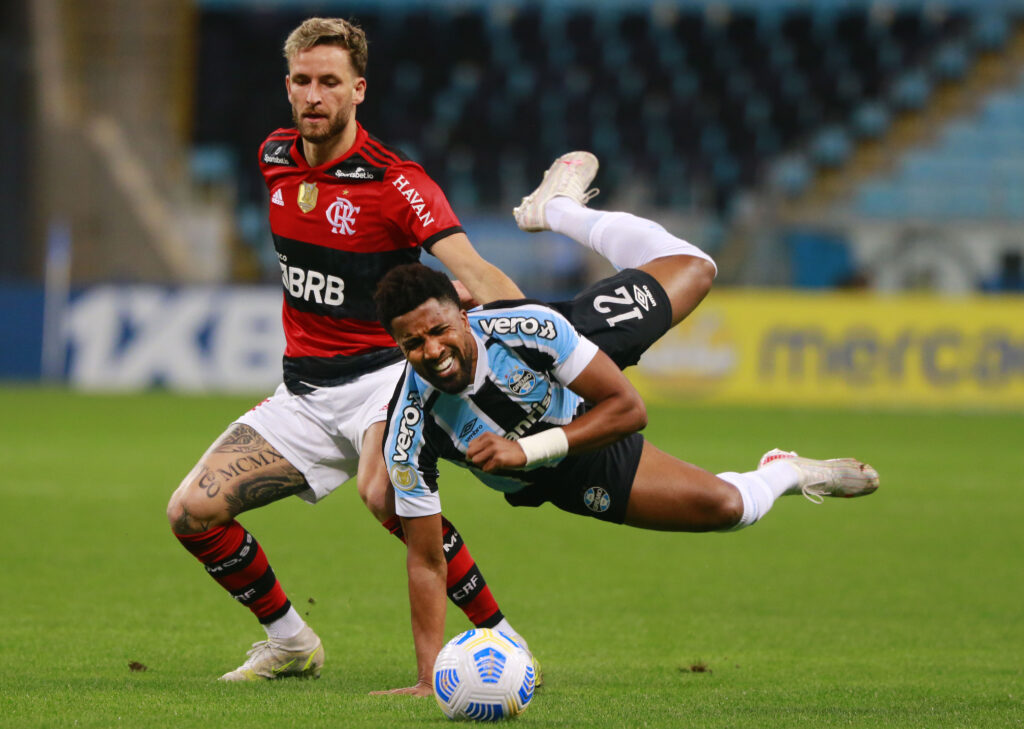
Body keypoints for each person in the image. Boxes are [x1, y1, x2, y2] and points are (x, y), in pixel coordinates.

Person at [371, 152, 880, 695]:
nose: (434, 350)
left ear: (463, 312)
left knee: (695, 266)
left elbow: (629, 410)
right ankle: (785, 472)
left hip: (581, 372)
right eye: (414, 343)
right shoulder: (409, 428)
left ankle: (560, 210)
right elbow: (426, 560)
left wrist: (525, 450)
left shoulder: (530, 328)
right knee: (729, 509)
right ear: (400, 347)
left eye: (439, 330)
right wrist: (428, 679)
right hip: (570, 471)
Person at [166, 17, 529, 681]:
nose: (313, 95)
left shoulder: (398, 184)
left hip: (385, 379)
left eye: (329, 82)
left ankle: (502, 638)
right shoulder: (273, 156)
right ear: (287, 86)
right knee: (191, 513)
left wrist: (544, 342)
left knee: (382, 493)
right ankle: (290, 640)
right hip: (301, 392)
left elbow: (479, 277)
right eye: (302, 81)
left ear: (358, 89)